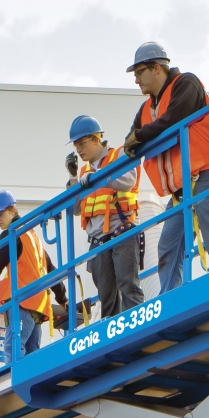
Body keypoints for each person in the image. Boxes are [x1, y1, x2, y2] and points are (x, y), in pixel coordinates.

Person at [122, 41, 209, 293]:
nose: (136, 81)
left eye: (139, 73)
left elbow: (175, 117)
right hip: (181, 190)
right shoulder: (146, 109)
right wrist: (137, 137)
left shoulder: (186, 83)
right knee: (168, 247)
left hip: (208, 172)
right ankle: (169, 302)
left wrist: (140, 136)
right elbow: (132, 139)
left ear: (156, 68)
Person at [0, 191, 66, 362]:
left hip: (22, 302)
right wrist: (62, 297)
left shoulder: (12, 235)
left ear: (13, 211)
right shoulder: (32, 236)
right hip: (38, 306)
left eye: (1, 214)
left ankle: (15, 388)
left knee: (13, 349)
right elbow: (50, 269)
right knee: (32, 354)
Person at [69, 114, 144, 319]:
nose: (79, 150)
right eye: (76, 146)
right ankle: (113, 333)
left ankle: (136, 327)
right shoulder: (84, 171)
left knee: (128, 284)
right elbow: (75, 210)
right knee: (106, 295)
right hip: (98, 241)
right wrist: (73, 178)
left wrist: (98, 177)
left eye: (82, 143)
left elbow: (129, 179)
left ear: (96, 139)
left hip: (122, 231)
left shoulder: (119, 154)